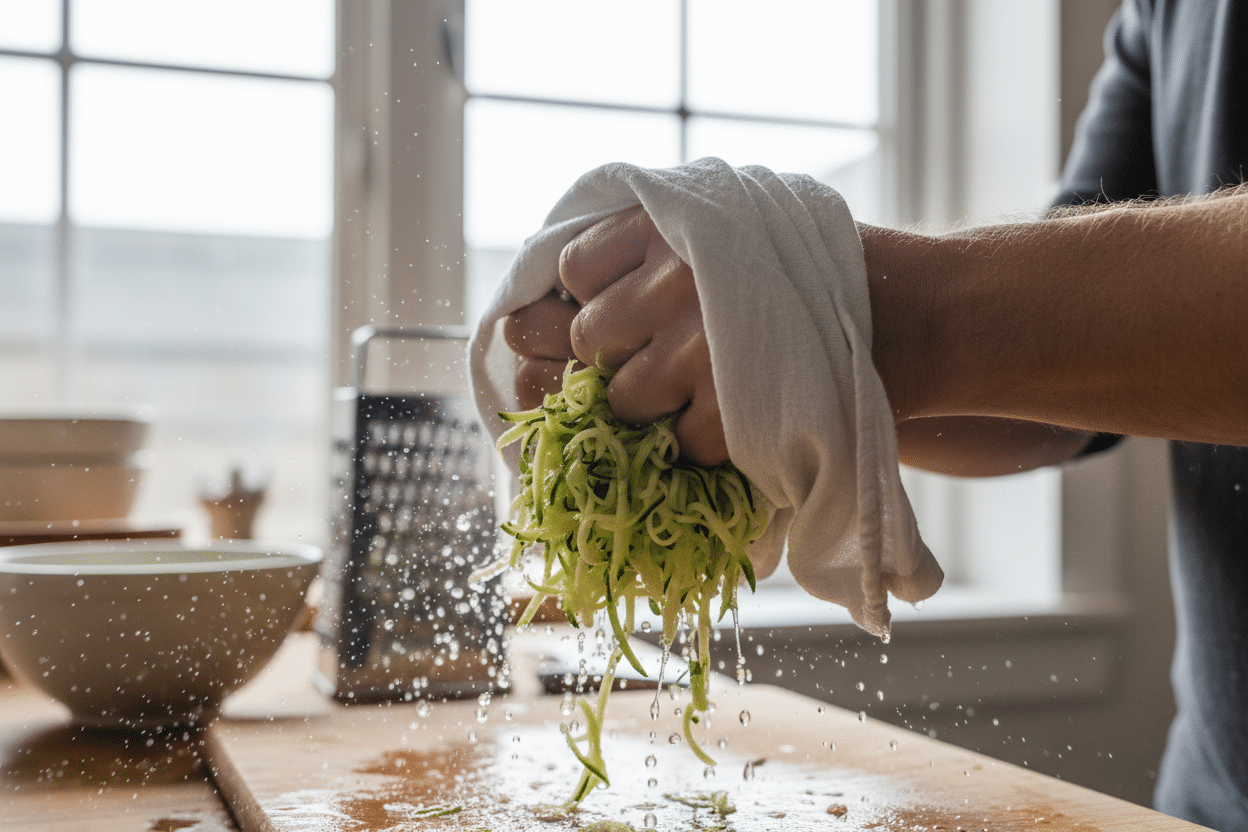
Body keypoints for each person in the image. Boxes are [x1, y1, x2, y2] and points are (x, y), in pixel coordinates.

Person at [500, 1, 1248, 827]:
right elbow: (1068, 377)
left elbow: (968, 330)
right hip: (1208, 796)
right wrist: (801, 375)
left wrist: (850, 311)